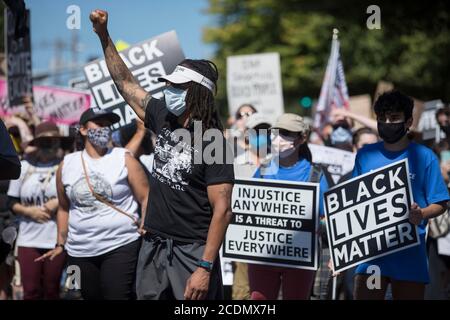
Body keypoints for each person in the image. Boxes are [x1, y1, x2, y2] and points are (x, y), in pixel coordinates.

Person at [90, 9, 234, 300]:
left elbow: (223, 209)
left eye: (177, 86)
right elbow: (126, 85)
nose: (168, 90)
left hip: (191, 253)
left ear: (197, 94)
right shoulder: (163, 116)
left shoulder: (214, 141)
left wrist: (204, 267)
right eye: (168, 84)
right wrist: (104, 36)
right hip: (153, 245)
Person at [36, 109, 149, 300]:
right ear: (82, 130)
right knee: (87, 296)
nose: (104, 129)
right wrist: (60, 243)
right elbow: (64, 208)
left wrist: (145, 223)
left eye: (107, 125)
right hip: (79, 251)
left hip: (121, 244)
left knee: (117, 296)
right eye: (99, 124)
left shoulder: (124, 157)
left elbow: (146, 196)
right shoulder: (67, 164)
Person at [352, 90, 450, 300]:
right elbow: (352, 203)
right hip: (373, 257)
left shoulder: (425, 157)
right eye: (382, 118)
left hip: (410, 255)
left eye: (394, 118)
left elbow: (441, 202)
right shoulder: (365, 155)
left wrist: (422, 214)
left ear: (408, 122)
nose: (387, 122)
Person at [247, 113, 328, 300]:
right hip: (263, 256)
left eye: (286, 133)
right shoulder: (263, 169)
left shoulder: (316, 174)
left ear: (302, 138)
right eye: (276, 132)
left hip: (299, 258)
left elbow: (327, 217)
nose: (279, 138)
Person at [6, 122, 72, 299]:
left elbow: (75, 196)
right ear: (37, 143)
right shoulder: (24, 166)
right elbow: (11, 202)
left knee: (51, 290)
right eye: (44, 141)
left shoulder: (66, 166)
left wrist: (57, 202)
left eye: (52, 141)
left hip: (55, 238)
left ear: (59, 142)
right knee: (31, 290)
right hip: (29, 238)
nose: (48, 146)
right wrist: (30, 212)